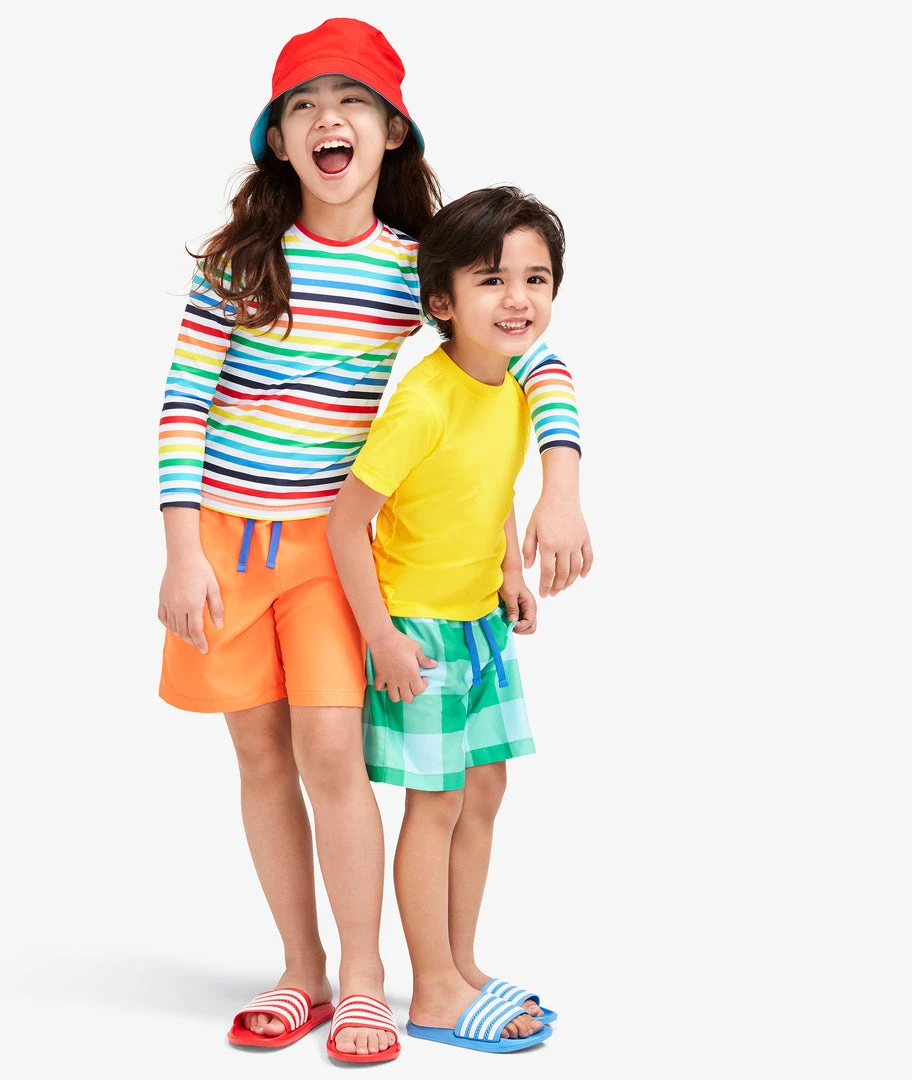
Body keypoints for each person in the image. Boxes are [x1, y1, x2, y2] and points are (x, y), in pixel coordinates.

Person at [155, 17, 589, 1061]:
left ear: (392, 130)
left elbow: (525, 362)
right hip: (224, 544)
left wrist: (558, 488)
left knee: (330, 750)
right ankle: (301, 970)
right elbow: (183, 402)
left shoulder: (414, 266)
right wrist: (181, 549)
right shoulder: (242, 262)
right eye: (302, 105)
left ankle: (363, 979)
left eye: (351, 101)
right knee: (260, 753)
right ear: (278, 140)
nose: (327, 119)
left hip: (333, 552)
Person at [326, 185, 591, 1054]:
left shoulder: (512, 384)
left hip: (480, 626)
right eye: (491, 279)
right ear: (441, 301)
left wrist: (510, 567)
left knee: (484, 792)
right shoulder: (424, 402)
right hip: (422, 635)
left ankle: (460, 962)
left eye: (535, 279)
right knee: (435, 804)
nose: (517, 299)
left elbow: (491, 486)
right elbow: (347, 524)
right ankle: (433, 991)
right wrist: (381, 639)